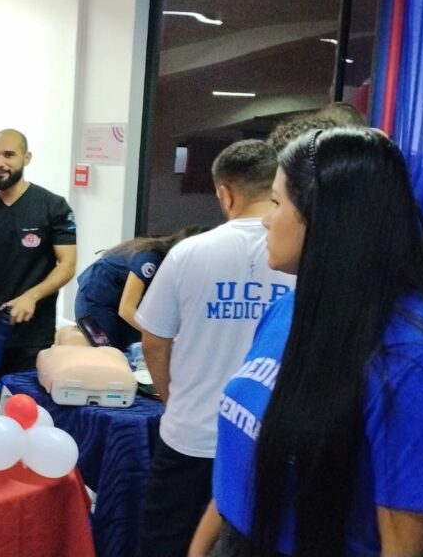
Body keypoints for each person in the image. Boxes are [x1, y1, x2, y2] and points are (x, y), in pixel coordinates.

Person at [190, 128, 423, 556]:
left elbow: (409, 545)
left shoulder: (412, 358)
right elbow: (245, 464)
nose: (267, 219)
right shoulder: (290, 308)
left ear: (325, 216)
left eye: (275, 202)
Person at [134, 139, 295, 557]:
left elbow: (153, 340)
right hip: (268, 440)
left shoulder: (189, 252)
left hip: (192, 435)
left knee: (167, 543)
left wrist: (174, 399)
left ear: (225, 192)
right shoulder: (301, 258)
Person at [0, 129, 77, 414]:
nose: (0, 162)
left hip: (33, 337)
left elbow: (67, 264)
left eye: (9, 154)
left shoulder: (53, 207)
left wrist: (32, 296)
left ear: (26, 158)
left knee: (26, 416)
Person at [74, 225, 206, 352]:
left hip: (116, 303)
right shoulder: (151, 259)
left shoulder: (179, 269)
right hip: (93, 300)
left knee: (136, 347)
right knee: (109, 353)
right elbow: (126, 309)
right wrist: (162, 335)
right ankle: (71, 338)